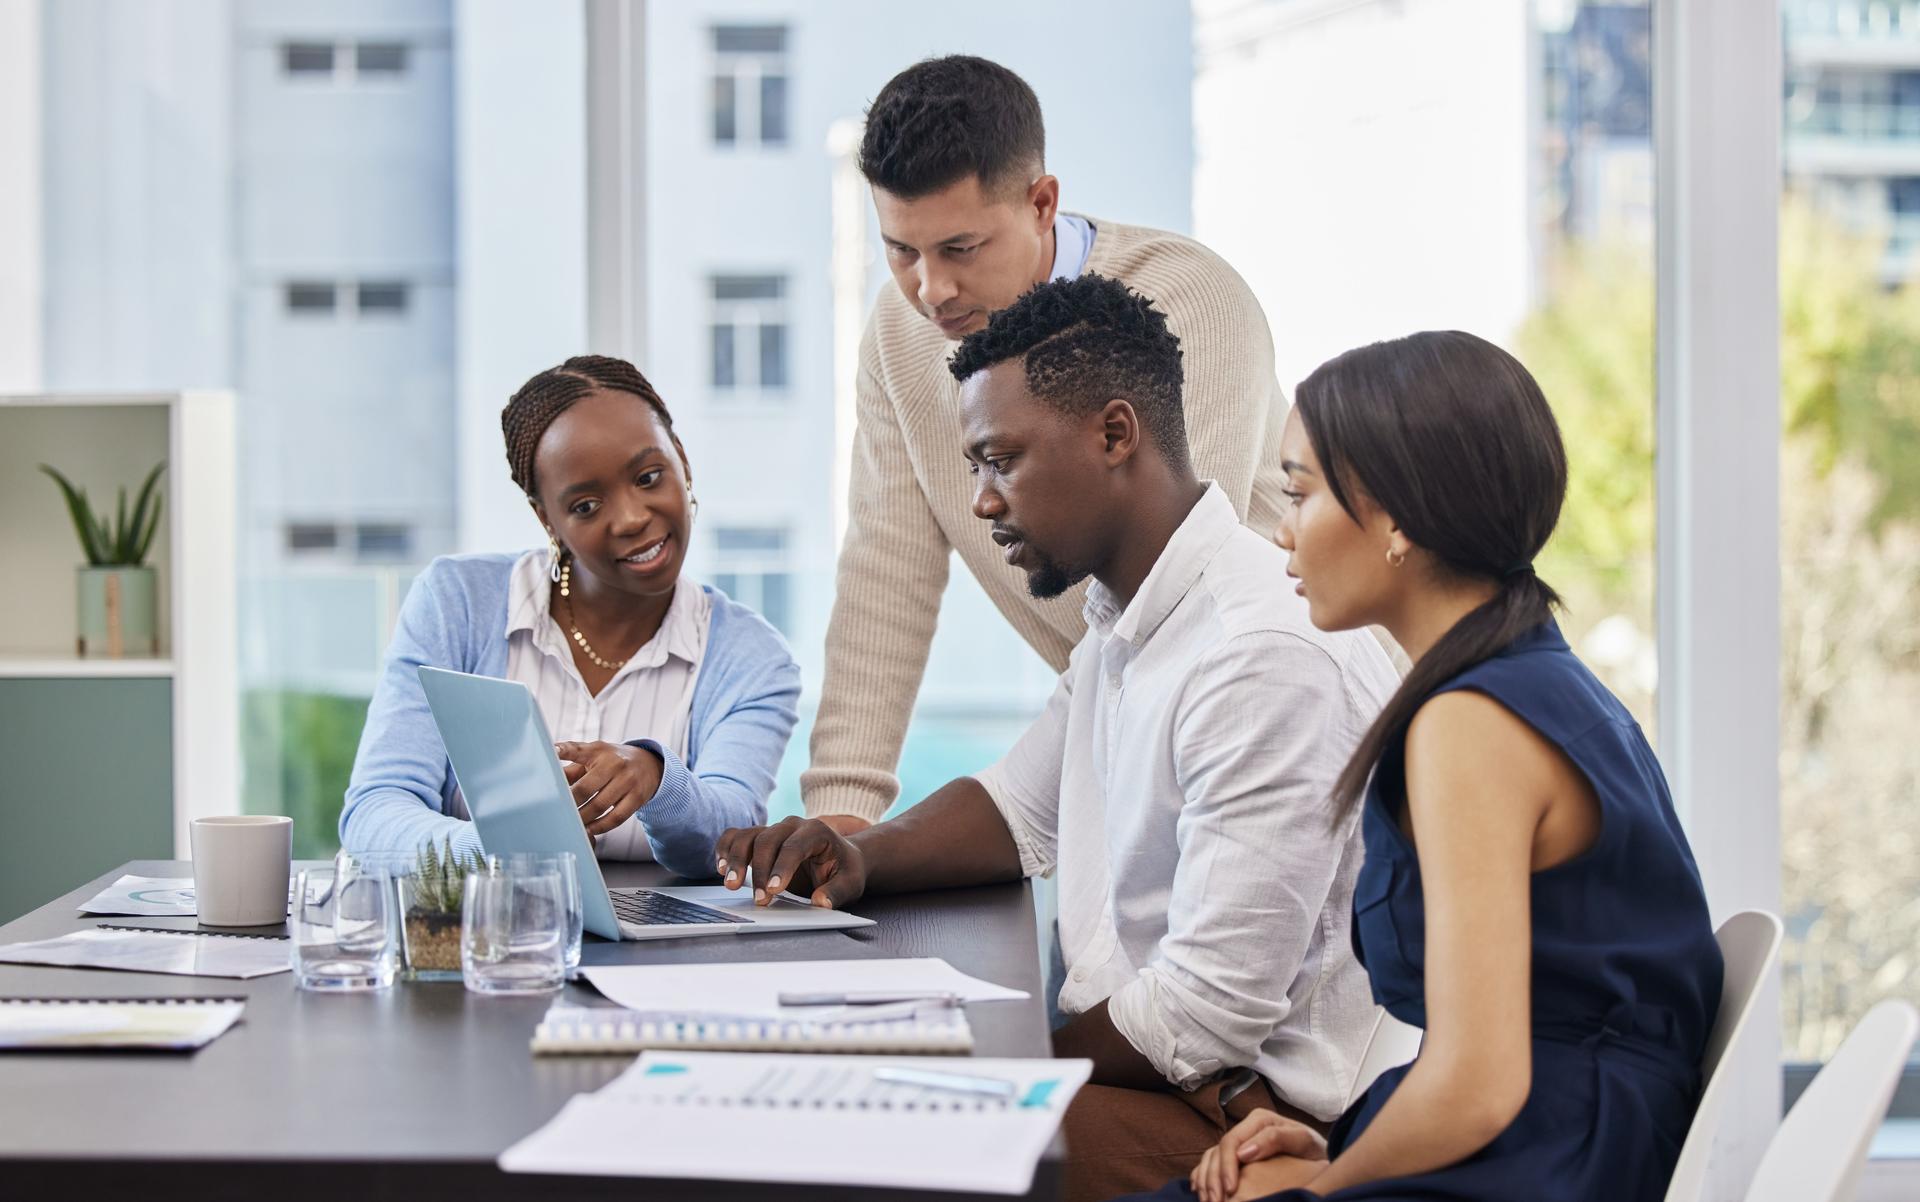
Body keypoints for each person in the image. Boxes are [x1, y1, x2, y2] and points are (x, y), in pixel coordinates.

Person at [715, 276, 1398, 1202]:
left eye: (1001, 461)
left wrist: (994, 1059)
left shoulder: (1257, 653)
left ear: (1115, 435)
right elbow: (1015, 805)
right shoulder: (1129, 613)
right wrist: (857, 857)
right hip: (1168, 1080)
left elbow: (1199, 1016)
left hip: (1253, 1121)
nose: (984, 503)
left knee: (873, 1141)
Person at [1154, 331, 1724, 1202]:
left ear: (1398, 522)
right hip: (1557, 1142)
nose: (1281, 529)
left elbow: (1478, 1087)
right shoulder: (1540, 683)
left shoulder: (1471, 723)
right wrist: (1337, 1144)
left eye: (1300, 493)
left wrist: (1323, 1185)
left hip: (1549, 1165)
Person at [805, 54, 1294, 834]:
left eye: (960, 249)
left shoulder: (1187, 300)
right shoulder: (899, 334)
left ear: (1041, 203)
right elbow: (885, 571)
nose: (930, 289)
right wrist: (838, 821)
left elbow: (1180, 584)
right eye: (902, 251)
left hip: (1267, 722)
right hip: (1114, 724)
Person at [338, 355, 800, 879]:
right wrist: (499, 850)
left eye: (649, 477)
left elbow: (732, 836)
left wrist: (657, 778)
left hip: (666, 948)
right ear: (547, 519)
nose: (630, 519)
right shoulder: (458, 603)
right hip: (485, 933)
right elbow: (374, 813)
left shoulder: (753, 658)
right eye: (585, 506)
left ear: (684, 464)